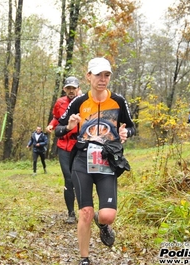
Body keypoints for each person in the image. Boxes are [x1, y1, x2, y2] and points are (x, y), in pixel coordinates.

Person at [55, 57, 136, 265]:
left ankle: (103, 225)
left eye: (106, 75)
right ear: (88, 76)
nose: (102, 79)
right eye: (98, 74)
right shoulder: (79, 102)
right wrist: (70, 127)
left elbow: (131, 126)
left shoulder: (117, 101)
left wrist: (126, 131)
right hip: (82, 160)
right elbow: (58, 129)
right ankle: (84, 258)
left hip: (107, 160)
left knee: (107, 215)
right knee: (86, 212)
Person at [46, 76, 81, 224]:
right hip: (63, 145)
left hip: (79, 145)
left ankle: (85, 211)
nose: (71, 91)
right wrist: (51, 125)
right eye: (69, 88)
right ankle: (71, 213)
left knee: (80, 179)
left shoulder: (84, 102)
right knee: (68, 179)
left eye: (74, 88)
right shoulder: (60, 102)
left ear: (78, 88)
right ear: (64, 89)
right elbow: (56, 118)